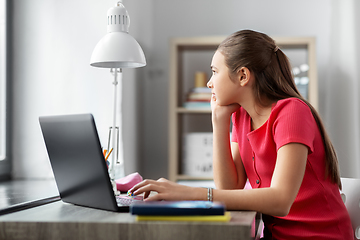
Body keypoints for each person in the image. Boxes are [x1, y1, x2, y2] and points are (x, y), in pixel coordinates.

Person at [129, 30, 353, 239]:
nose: (209, 83)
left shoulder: (291, 112)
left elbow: (280, 200)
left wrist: (187, 193)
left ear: (243, 76)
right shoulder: (241, 117)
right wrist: (219, 122)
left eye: (215, 72)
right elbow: (229, 188)